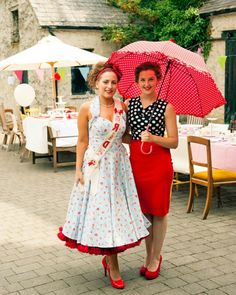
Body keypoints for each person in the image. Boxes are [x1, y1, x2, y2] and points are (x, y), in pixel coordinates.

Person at [57, 62, 149, 289]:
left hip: (119, 169)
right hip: (96, 168)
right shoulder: (87, 109)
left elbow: (125, 137)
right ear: (96, 83)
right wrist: (78, 170)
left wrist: (141, 135)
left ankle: (110, 260)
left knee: (115, 215)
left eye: (113, 82)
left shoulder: (123, 107)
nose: (110, 86)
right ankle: (113, 266)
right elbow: (82, 141)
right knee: (104, 215)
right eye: (105, 82)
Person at [126, 61, 178, 280]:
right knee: (145, 211)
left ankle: (156, 257)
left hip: (159, 163)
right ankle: (148, 257)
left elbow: (174, 142)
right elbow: (126, 135)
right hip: (137, 162)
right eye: (142, 80)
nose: (147, 83)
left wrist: (153, 137)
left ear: (157, 80)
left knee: (159, 211)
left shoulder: (167, 107)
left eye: (151, 79)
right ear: (137, 82)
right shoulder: (128, 104)